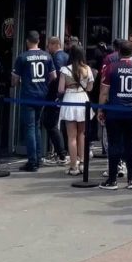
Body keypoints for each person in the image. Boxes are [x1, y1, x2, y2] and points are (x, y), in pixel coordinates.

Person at [98, 39, 132, 190]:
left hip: (115, 111)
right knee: (130, 144)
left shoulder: (111, 68)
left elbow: (104, 92)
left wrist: (100, 109)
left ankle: (112, 179)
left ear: (118, 52)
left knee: (114, 144)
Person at [12, 31, 56, 172]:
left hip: (28, 94)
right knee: (36, 125)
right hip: (42, 95)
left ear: (27, 41)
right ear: (39, 41)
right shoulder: (47, 56)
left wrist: (18, 82)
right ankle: (38, 157)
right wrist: (44, 84)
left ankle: (32, 161)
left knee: (30, 127)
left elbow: (14, 79)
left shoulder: (23, 57)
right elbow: (53, 76)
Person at [58, 45, 94, 176]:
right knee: (82, 134)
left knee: (71, 136)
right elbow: (90, 88)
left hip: (70, 99)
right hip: (82, 99)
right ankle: (83, 162)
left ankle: (73, 166)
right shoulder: (87, 69)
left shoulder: (64, 70)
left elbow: (60, 89)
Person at [43, 36, 69, 166]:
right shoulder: (66, 56)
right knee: (52, 124)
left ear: (55, 44)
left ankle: (61, 154)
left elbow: (57, 77)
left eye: (49, 45)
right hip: (61, 96)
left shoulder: (57, 58)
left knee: (50, 123)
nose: (48, 48)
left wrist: (56, 93)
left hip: (55, 96)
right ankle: (61, 153)